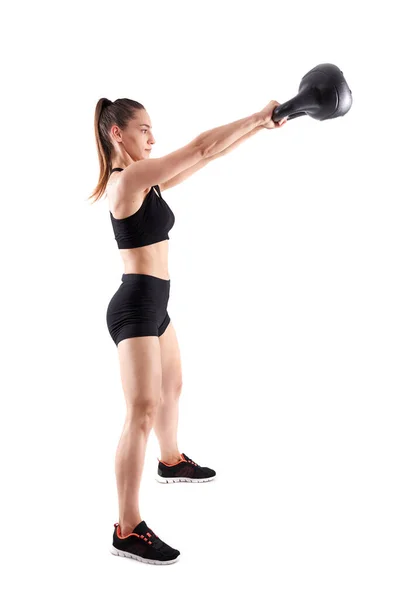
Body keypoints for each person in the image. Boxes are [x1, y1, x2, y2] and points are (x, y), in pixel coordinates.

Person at [88, 97, 288, 565]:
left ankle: (171, 460)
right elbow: (198, 147)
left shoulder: (148, 180)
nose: (152, 139)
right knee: (141, 411)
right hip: (135, 306)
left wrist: (262, 128)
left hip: (156, 305)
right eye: (144, 130)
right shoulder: (129, 179)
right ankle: (127, 527)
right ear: (117, 134)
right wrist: (259, 115)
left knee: (173, 385)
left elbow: (210, 154)